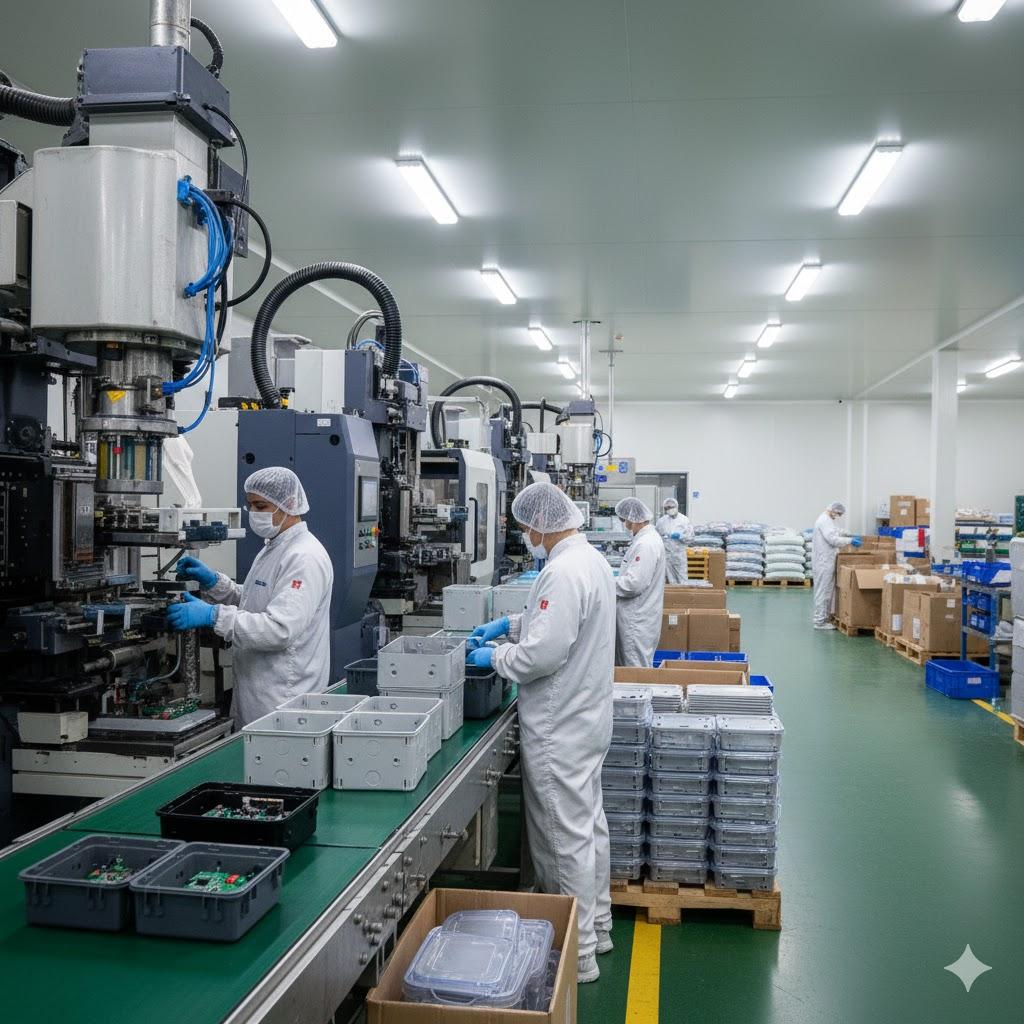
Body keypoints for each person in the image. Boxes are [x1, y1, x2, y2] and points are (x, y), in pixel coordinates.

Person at [465, 482, 615, 984]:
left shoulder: (564, 571)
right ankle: (598, 926)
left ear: (540, 524)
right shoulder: (588, 560)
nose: (524, 536)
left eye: (525, 527)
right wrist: (509, 624)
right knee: (587, 826)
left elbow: (542, 654)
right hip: (586, 716)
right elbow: (557, 621)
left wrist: (496, 656)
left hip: (559, 724)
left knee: (560, 837)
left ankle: (579, 953)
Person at [166, 467, 334, 726]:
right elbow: (257, 599)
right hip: (261, 694)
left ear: (289, 504)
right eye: (251, 505)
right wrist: (215, 583)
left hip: (284, 699)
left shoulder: (304, 557)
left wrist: (213, 615)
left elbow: (279, 629)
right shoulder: (275, 547)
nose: (254, 513)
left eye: (261, 506)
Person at [613, 497, 666, 666]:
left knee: (635, 670)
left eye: (624, 521)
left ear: (633, 519)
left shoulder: (646, 544)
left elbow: (634, 584)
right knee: (633, 667)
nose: (624, 525)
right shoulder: (645, 539)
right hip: (638, 616)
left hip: (636, 620)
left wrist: (606, 582)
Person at [811, 501, 860, 630]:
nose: (838, 516)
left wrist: (848, 533)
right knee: (823, 591)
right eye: (838, 514)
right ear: (833, 510)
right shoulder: (824, 520)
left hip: (826, 561)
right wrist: (850, 540)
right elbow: (832, 539)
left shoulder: (827, 520)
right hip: (823, 562)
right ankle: (819, 622)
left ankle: (823, 618)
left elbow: (835, 531)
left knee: (826, 591)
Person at [655, 497, 692, 583]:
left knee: (682, 578)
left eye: (671, 507)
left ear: (676, 506)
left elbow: (690, 537)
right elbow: (656, 536)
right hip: (666, 555)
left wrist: (680, 536)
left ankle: (683, 591)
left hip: (679, 554)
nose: (669, 509)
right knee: (669, 579)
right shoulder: (661, 521)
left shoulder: (684, 520)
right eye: (667, 508)